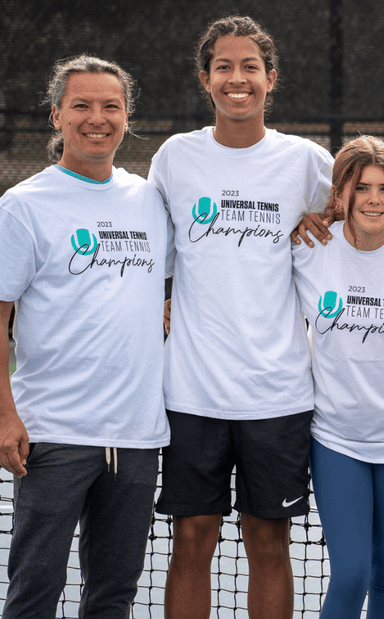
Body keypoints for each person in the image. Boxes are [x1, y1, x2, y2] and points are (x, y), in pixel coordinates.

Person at [149, 15, 333, 619]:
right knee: (192, 540)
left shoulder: (306, 161)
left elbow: (373, 215)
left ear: (270, 78)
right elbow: (155, 256)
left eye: (249, 66)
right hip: (193, 393)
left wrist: (325, 221)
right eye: (224, 66)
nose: (237, 78)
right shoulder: (176, 157)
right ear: (206, 79)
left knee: (268, 544)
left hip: (277, 396)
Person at [0, 55, 169, 618]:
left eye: (111, 106)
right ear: (56, 116)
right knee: (33, 595)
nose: (97, 118)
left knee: (113, 598)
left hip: (139, 438)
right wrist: (5, 415)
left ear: (127, 116)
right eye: (82, 106)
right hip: (53, 435)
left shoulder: (151, 200)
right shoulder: (23, 206)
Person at [291, 135, 384, 618]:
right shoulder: (310, 248)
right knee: (351, 572)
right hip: (337, 439)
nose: (373, 199)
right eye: (361, 188)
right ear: (341, 195)